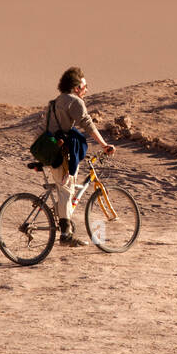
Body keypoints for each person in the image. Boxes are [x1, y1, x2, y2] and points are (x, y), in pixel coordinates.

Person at [45, 66, 115, 246]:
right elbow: (88, 124)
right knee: (67, 190)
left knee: (65, 190)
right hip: (62, 154)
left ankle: (63, 219)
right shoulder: (75, 102)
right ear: (76, 87)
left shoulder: (55, 101)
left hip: (50, 150)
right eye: (85, 86)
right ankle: (65, 234)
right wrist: (104, 145)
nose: (87, 89)